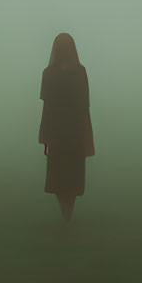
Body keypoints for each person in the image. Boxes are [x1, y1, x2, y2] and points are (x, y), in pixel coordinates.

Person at [39, 32, 94, 223]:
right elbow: (84, 106)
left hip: (59, 132)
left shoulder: (49, 73)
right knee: (71, 176)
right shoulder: (79, 72)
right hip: (73, 131)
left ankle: (65, 215)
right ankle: (67, 215)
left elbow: (47, 108)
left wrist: (45, 137)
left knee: (60, 176)